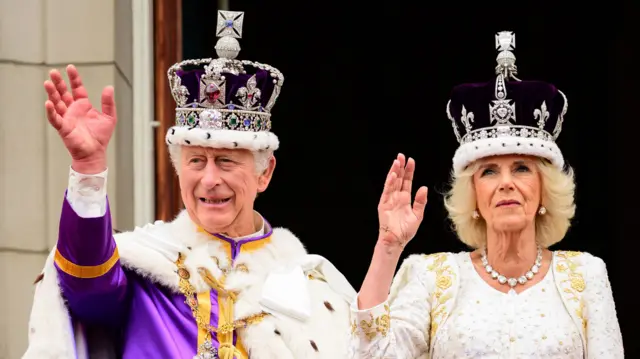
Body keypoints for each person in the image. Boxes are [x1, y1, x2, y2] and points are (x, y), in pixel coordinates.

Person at [23, 10, 356, 359]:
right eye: (196, 161)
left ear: (265, 172)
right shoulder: (146, 266)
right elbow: (86, 287)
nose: (210, 180)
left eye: (226, 161)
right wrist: (88, 170)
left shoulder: (310, 287)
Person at [348, 31, 623, 358]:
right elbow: (370, 355)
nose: (506, 182)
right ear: (473, 193)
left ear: (544, 188)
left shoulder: (586, 275)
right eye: (489, 171)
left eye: (521, 168)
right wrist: (388, 247)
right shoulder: (432, 278)